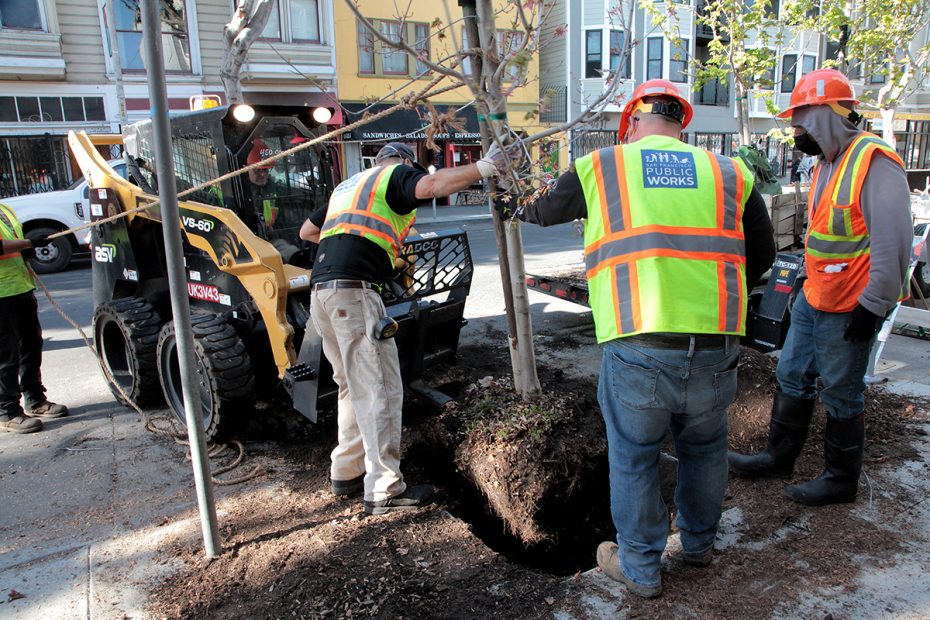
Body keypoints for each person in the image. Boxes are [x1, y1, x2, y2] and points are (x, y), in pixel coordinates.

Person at [514, 80, 776, 597]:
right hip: (715, 343)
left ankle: (640, 566)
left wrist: (509, 173)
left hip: (640, 342)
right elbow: (761, 256)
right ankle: (699, 546)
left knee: (635, 455)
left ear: (632, 122)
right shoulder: (728, 172)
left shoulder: (604, 165)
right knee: (704, 448)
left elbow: (536, 210)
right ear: (683, 125)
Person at [298, 142, 519, 515]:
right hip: (354, 293)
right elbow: (433, 186)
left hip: (322, 294)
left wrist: (366, 248)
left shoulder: (347, 187)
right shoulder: (393, 175)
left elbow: (307, 232)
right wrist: (484, 168)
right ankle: (384, 488)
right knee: (380, 388)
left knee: (351, 386)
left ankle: (346, 471)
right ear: (403, 162)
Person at [728, 69, 913, 506]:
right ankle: (778, 457)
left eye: (800, 120)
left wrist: (874, 305)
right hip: (816, 298)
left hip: (851, 304)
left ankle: (840, 479)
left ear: (826, 116)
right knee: (792, 373)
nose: (795, 131)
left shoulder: (874, 162)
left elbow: (895, 244)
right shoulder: (830, 163)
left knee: (841, 390)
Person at [0, 202, 69, 434]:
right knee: (5, 354)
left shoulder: (5, 210)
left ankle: (35, 399)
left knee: (30, 345)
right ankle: (7, 411)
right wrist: (29, 242)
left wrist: (26, 248)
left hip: (19, 287)